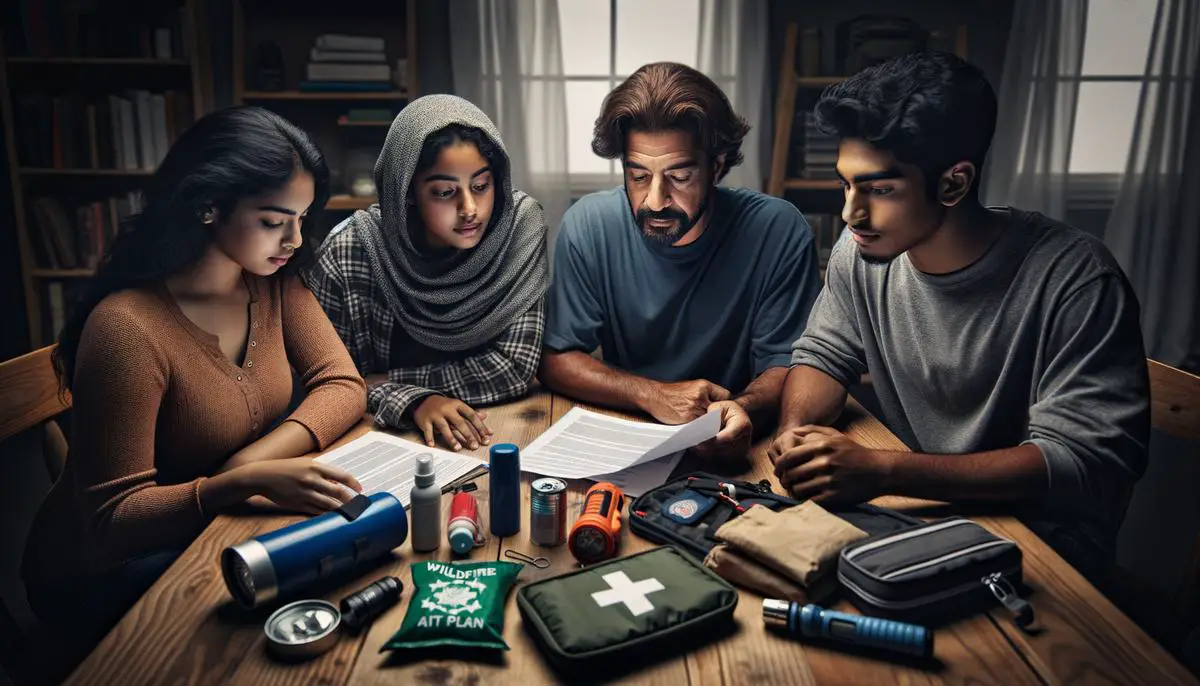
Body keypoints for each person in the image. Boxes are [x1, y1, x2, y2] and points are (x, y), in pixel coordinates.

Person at [770, 52, 1149, 586]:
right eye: (845, 185)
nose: (851, 213)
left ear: (953, 183)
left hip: (1047, 549)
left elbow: (1081, 466)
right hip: (918, 513)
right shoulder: (861, 252)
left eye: (880, 190)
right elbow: (823, 356)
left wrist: (883, 470)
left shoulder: (1076, 277)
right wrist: (796, 435)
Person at [22, 106, 368, 656]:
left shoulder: (273, 283)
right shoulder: (128, 328)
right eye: (274, 220)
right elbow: (113, 522)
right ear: (208, 206)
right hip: (102, 571)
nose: (296, 240)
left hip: (209, 525)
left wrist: (250, 465)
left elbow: (343, 383)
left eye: (302, 219)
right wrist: (234, 485)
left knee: (347, 563)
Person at [540, 62, 821, 459]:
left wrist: (743, 407)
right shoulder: (588, 225)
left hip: (741, 438)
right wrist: (651, 394)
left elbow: (786, 364)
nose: (655, 200)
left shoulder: (778, 230)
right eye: (638, 176)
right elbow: (558, 358)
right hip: (630, 437)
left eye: (680, 176)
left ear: (716, 166)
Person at [305, 95, 548, 452]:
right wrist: (415, 401)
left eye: (481, 186)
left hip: (502, 432)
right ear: (407, 192)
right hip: (380, 441)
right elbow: (332, 384)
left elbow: (513, 367)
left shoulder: (519, 229)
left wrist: (383, 383)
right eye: (445, 192)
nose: (469, 209)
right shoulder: (349, 252)